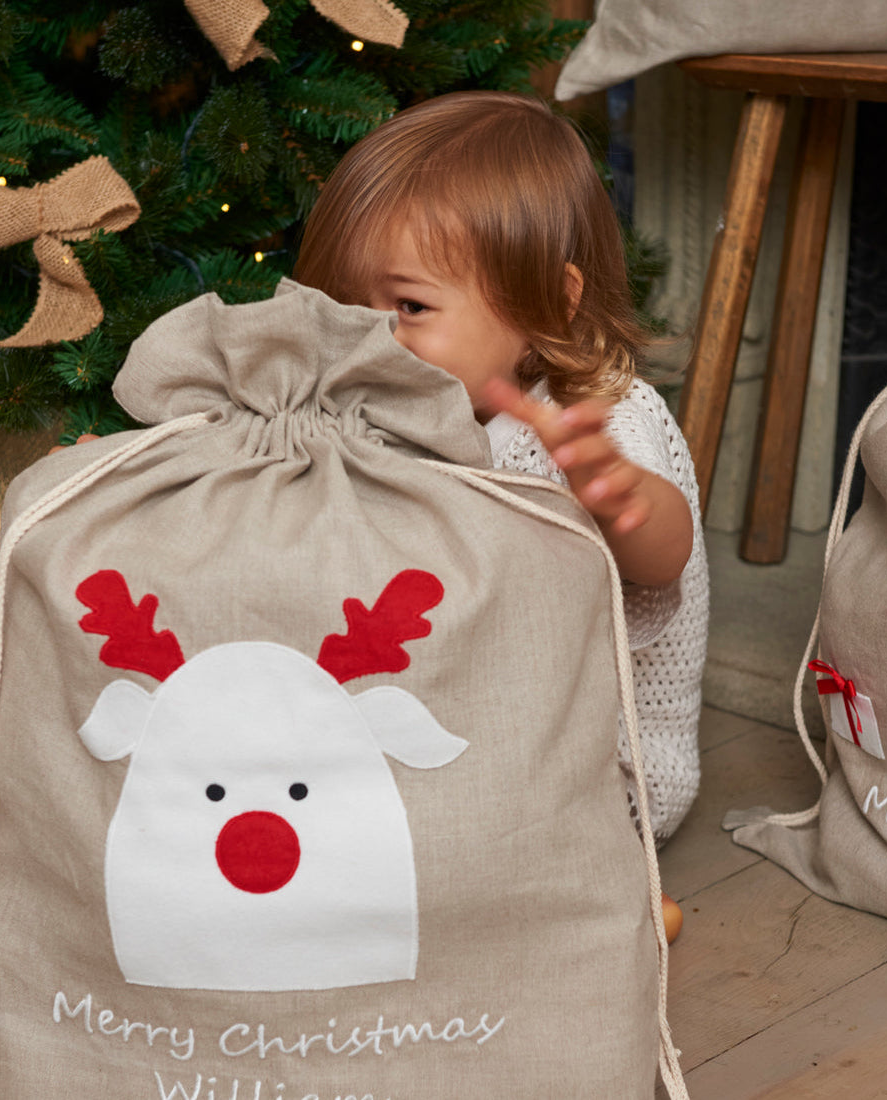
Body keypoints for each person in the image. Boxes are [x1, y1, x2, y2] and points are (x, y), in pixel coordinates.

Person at [295, 89, 709, 940]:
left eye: (410, 308)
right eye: (348, 309)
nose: (370, 339)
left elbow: (663, 558)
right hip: (459, 705)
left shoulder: (593, 422)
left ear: (547, 304)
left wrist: (620, 498)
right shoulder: (397, 399)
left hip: (596, 768)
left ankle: (586, 899)